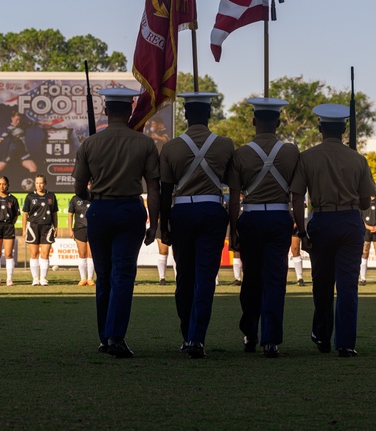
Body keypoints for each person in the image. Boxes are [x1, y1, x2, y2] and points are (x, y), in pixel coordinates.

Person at [72, 87, 160, 359]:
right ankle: (115, 336)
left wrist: (93, 195)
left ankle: (104, 337)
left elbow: (78, 188)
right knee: (123, 275)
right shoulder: (144, 143)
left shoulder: (90, 144)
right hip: (130, 210)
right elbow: (154, 187)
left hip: (100, 210)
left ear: (106, 111)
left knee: (104, 277)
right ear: (131, 109)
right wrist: (154, 223)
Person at [292, 104, 375, 358]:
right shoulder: (358, 159)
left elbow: (297, 196)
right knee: (348, 285)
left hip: (322, 219)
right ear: (344, 129)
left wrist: (301, 231)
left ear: (320, 129)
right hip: (350, 221)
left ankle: (322, 333)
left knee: (323, 283)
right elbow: (365, 201)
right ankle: (346, 343)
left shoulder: (307, 157)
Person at [159, 92, 234, 359]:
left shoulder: (171, 148)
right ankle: (196, 338)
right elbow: (232, 184)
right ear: (210, 114)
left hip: (182, 212)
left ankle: (186, 332)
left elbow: (165, 190)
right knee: (205, 278)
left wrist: (163, 225)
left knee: (184, 278)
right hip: (212, 210)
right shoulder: (225, 145)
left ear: (186, 116)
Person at [227, 98, 299, 358]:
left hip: (251, 219)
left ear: (254, 121)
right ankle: (271, 340)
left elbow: (234, 198)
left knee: (251, 279)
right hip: (279, 217)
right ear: (278, 122)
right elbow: (297, 192)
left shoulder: (241, 153)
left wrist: (232, 229)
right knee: (275, 280)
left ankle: (250, 333)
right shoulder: (291, 152)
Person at [23, 175, 58, 286]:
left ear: (45, 183)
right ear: (35, 183)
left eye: (41, 183)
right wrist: (24, 230)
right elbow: (25, 214)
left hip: (47, 227)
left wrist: (56, 227)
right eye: (37, 183)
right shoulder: (30, 196)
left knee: (45, 254)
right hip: (33, 227)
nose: (39, 185)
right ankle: (35, 279)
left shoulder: (51, 196)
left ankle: (43, 278)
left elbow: (54, 213)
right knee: (34, 254)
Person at [0, 110, 38, 188]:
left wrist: (47, 123)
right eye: (16, 119)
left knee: (33, 167)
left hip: (22, 152)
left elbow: (36, 123)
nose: (18, 121)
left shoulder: (23, 125)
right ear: (12, 118)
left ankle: (32, 186)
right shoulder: (9, 129)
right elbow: (1, 139)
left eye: (19, 119)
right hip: (11, 152)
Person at [68, 193, 94, 286]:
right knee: (82, 254)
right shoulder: (75, 198)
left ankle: (90, 278)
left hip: (93, 228)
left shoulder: (95, 197)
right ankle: (83, 278)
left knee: (91, 254)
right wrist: (70, 229)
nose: (88, 186)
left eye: (90, 184)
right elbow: (70, 214)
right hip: (79, 229)